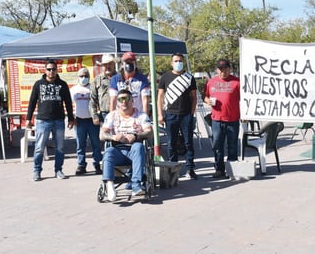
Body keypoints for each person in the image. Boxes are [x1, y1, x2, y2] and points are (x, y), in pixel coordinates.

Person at [100, 89, 153, 201]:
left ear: (132, 100)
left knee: (139, 147)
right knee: (108, 152)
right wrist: (113, 137)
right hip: (118, 149)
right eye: (121, 99)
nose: (124, 102)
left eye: (127, 99)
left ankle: (136, 186)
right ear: (117, 102)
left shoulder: (141, 115)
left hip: (134, 150)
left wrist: (137, 136)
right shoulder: (112, 116)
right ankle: (109, 186)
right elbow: (102, 134)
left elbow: (149, 132)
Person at [26, 59, 75, 181]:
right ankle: (37, 171)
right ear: (45, 70)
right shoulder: (38, 84)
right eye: (49, 69)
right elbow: (32, 102)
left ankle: (58, 170)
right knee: (39, 147)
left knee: (60, 147)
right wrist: (28, 118)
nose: (51, 72)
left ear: (57, 70)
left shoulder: (62, 84)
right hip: (43, 120)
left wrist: (71, 118)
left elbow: (68, 102)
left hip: (58, 120)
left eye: (53, 69)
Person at [157, 52, 198, 180]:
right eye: (175, 61)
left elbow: (194, 97)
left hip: (186, 115)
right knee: (171, 144)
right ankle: (172, 169)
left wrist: (191, 114)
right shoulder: (165, 77)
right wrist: (160, 114)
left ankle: (190, 168)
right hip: (170, 115)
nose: (178, 63)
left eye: (180, 60)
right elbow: (160, 97)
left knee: (188, 143)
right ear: (171, 63)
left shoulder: (189, 78)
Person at [203, 59, 240, 178]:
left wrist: (244, 115)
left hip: (233, 119)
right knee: (217, 145)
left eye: (225, 69)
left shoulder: (237, 82)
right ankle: (219, 169)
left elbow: (245, 99)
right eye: (220, 69)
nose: (222, 71)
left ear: (229, 69)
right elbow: (206, 96)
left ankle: (231, 168)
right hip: (216, 119)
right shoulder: (211, 82)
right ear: (216, 70)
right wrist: (207, 100)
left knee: (232, 145)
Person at [70, 68, 103, 175]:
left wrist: (97, 116)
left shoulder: (92, 88)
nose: (83, 78)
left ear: (89, 77)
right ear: (78, 77)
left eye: (85, 76)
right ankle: (81, 165)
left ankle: (97, 163)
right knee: (80, 144)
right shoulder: (73, 90)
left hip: (92, 120)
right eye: (81, 76)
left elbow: (98, 103)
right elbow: (69, 105)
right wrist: (72, 118)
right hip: (79, 120)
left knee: (96, 143)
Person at [89, 53, 118, 126]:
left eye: (110, 64)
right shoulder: (97, 80)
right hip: (104, 115)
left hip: (120, 113)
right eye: (105, 64)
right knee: (106, 136)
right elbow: (92, 99)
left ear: (114, 64)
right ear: (102, 66)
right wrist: (94, 115)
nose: (108, 66)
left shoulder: (121, 78)